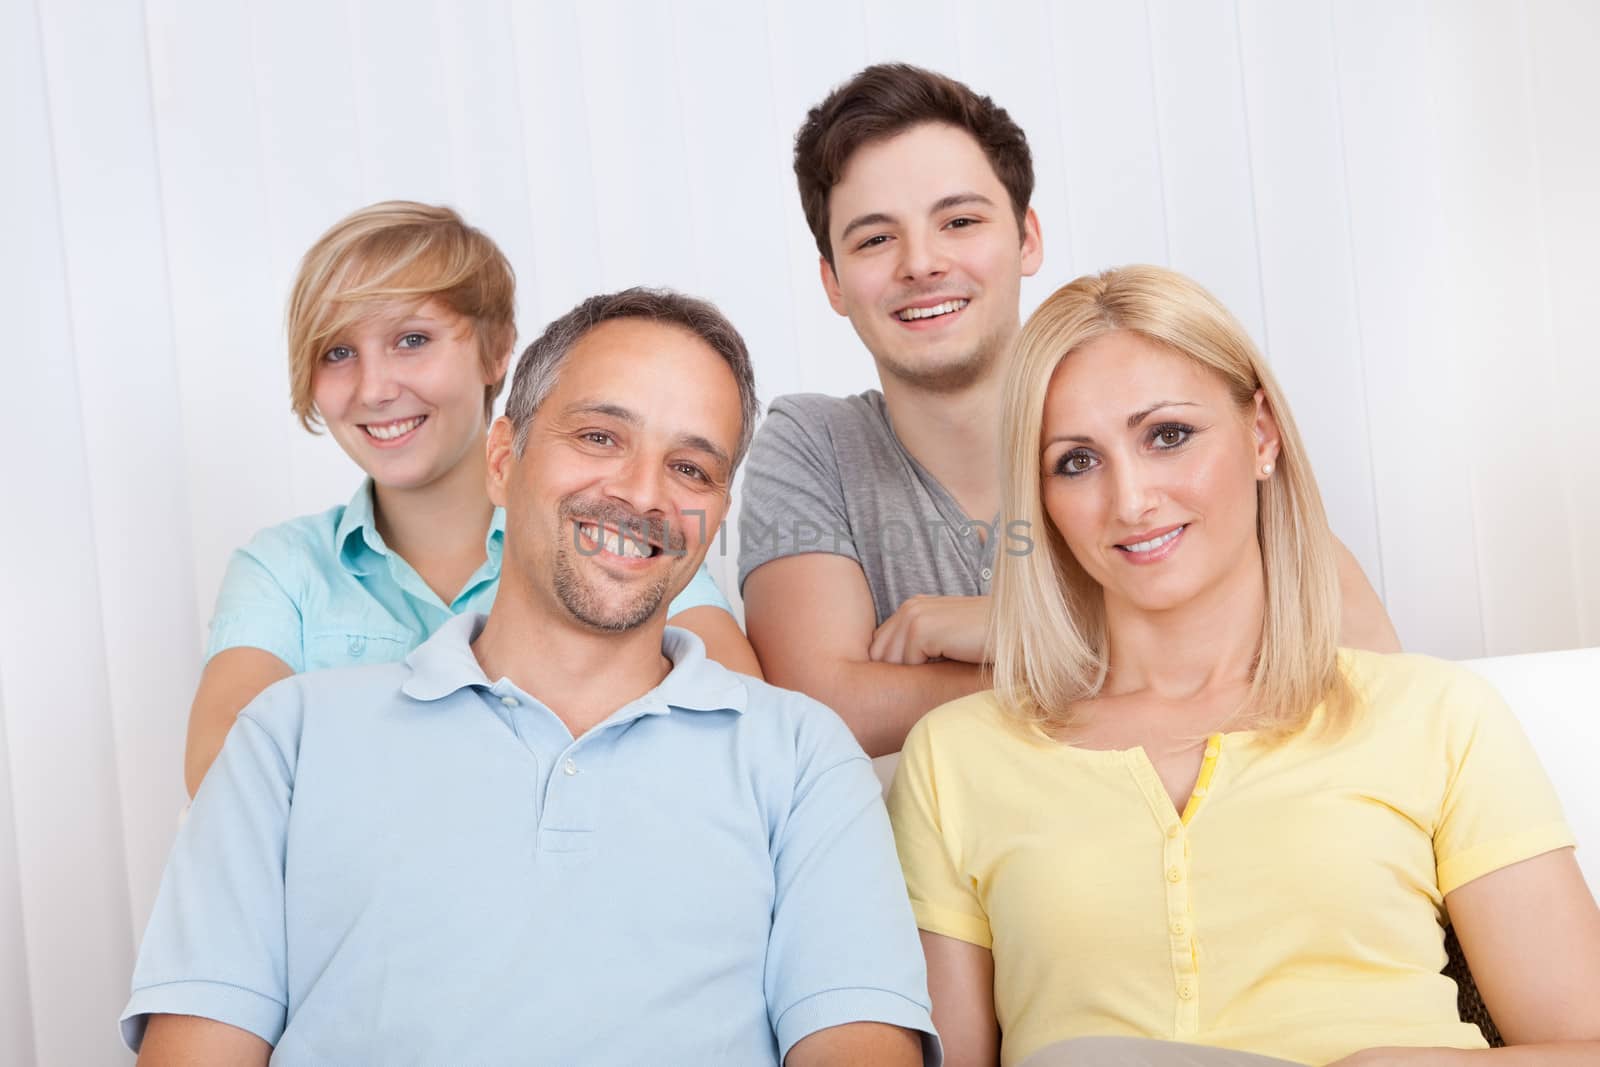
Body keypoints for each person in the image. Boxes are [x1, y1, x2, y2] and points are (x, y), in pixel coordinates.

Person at [123, 289, 940, 1065]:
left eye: (691, 468)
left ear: (718, 510)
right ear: (503, 457)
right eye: (599, 438)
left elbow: (855, 1041)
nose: (640, 492)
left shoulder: (799, 757)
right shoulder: (288, 739)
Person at [887, 265, 1600, 1066]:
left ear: (1261, 434)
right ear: (1041, 497)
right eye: (1077, 462)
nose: (1131, 500)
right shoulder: (956, 757)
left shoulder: (1437, 715)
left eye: (1168, 435)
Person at [738, 65, 1398, 760]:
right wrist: (1103, 656)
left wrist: (1012, 631)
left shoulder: (1146, 405)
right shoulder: (813, 443)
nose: (922, 263)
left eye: (960, 221)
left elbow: (1366, 660)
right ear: (832, 282)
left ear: (1027, 239)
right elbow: (820, 709)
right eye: (875, 239)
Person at [184, 201, 760, 796]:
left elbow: (744, 742)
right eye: (338, 352)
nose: (375, 389)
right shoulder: (283, 570)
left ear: (496, 351)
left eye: (411, 340)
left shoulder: (623, 539)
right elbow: (227, 779)